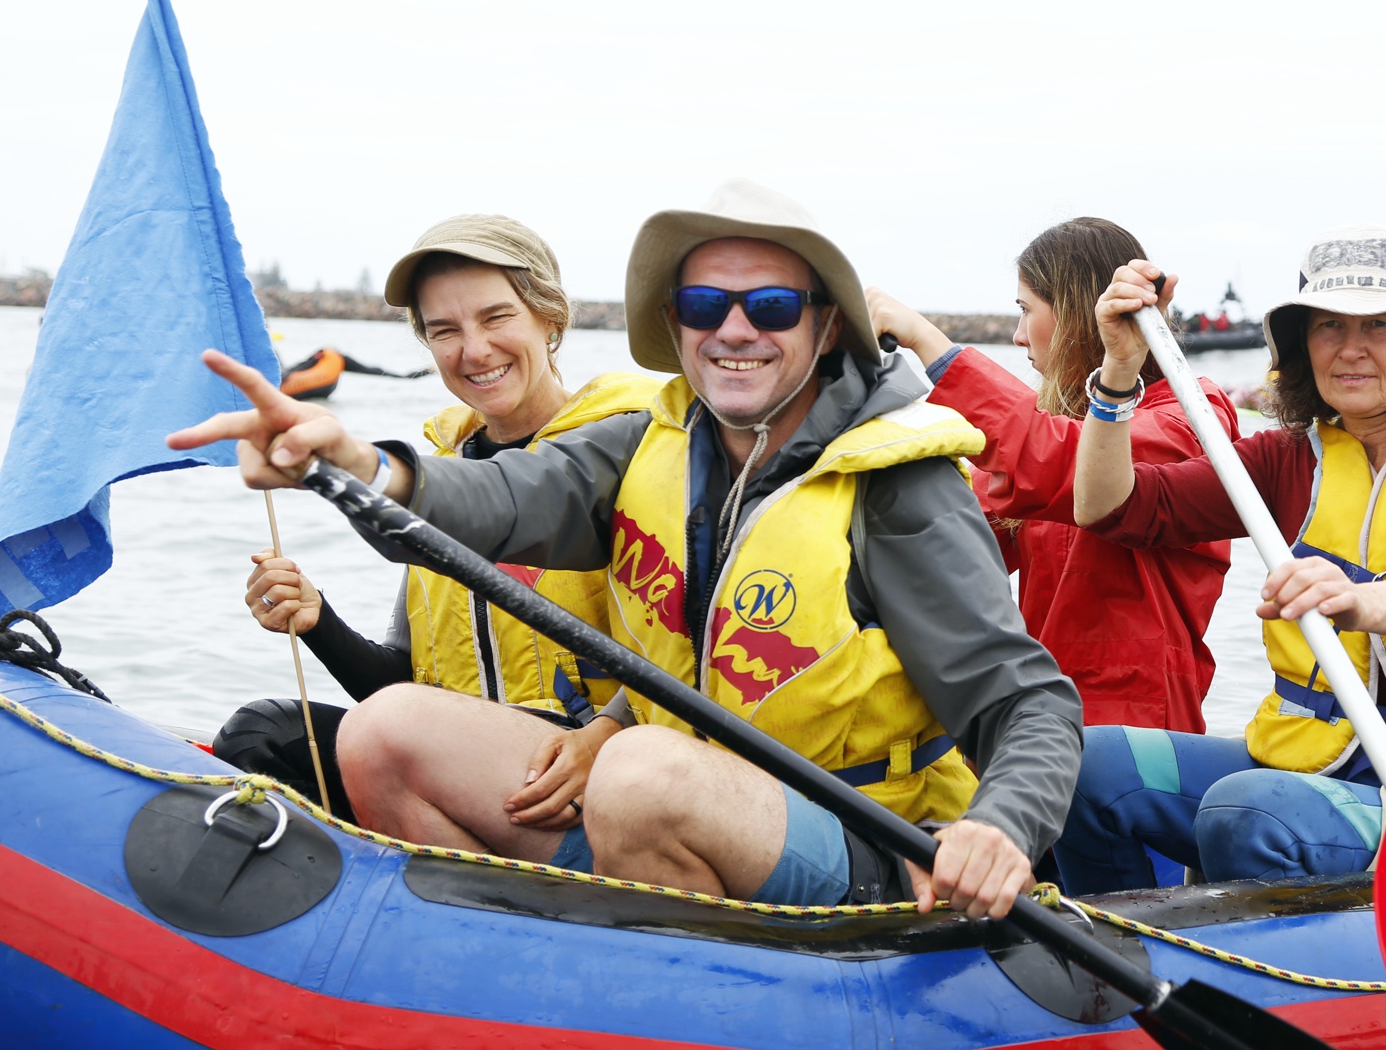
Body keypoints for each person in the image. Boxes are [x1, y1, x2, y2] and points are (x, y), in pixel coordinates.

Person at [169, 180, 1082, 921]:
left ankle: (697, 1033)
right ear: (675, 324)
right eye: (701, 304)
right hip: (662, 810)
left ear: (826, 325)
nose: (733, 330)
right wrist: (356, 464)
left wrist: (999, 828)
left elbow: (1028, 702)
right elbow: (490, 500)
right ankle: (488, 969)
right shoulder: (645, 444)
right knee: (384, 732)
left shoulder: (900, 486)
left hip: (868, 848)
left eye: (768, 305)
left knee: (638, 775)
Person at [1058, 227, 1386, 891]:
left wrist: (1357, 600)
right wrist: (1118, 372)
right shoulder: (1287, 457)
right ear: (1301, 344)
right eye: (1329, 325)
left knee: (1246, 813)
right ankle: (1115, 960)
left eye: (1379, 327)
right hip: (1316, 765)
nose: (1350, 350)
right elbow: (1110, 507)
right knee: (1081, 765)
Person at [211, 215, 659, 826]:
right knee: (260, 735)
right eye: (444, 330)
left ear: (550, 318)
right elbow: (397, 692)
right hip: (448, 756)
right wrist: (319, 623)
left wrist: (607, 735)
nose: (473, 351)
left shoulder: (635, 449)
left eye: (497, 318)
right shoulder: (441, 476)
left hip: (583, 765)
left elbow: (694, 656)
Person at [865, 217, 1238, 733]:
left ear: (1082, 316)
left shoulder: (1190, 420)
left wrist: (932, 347)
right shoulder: (1060, 432)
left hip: (1134, 736)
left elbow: (1062, 463)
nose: (1018, 337)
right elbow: (951, 540)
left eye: (1025, 311)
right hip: (1040, 717)